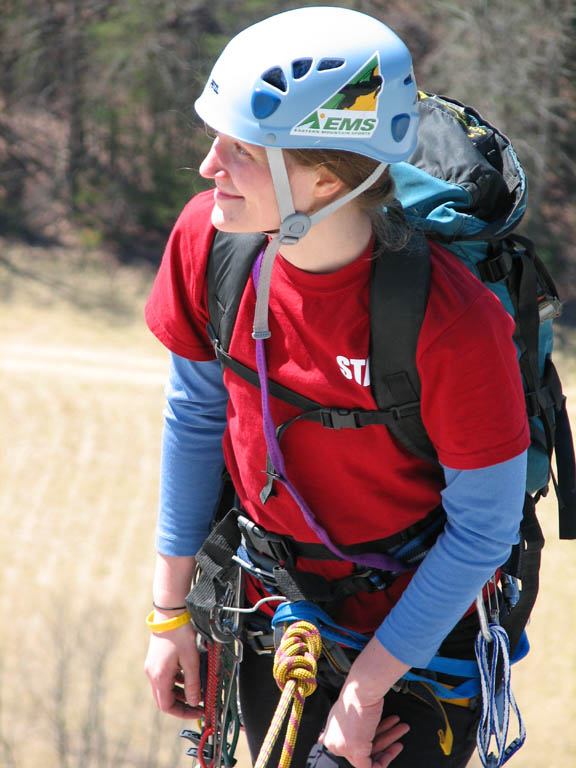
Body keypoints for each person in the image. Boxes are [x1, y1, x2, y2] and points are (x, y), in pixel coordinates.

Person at [144, 7, 529, 768]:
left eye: (241, 150)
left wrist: (365, 691)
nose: (207, 168)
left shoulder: (452, 324)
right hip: (272, 599)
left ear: (323, 176)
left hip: (420, 628)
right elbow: (195, 417)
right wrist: (168, 613)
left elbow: (483, 529)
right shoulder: (209, 244)